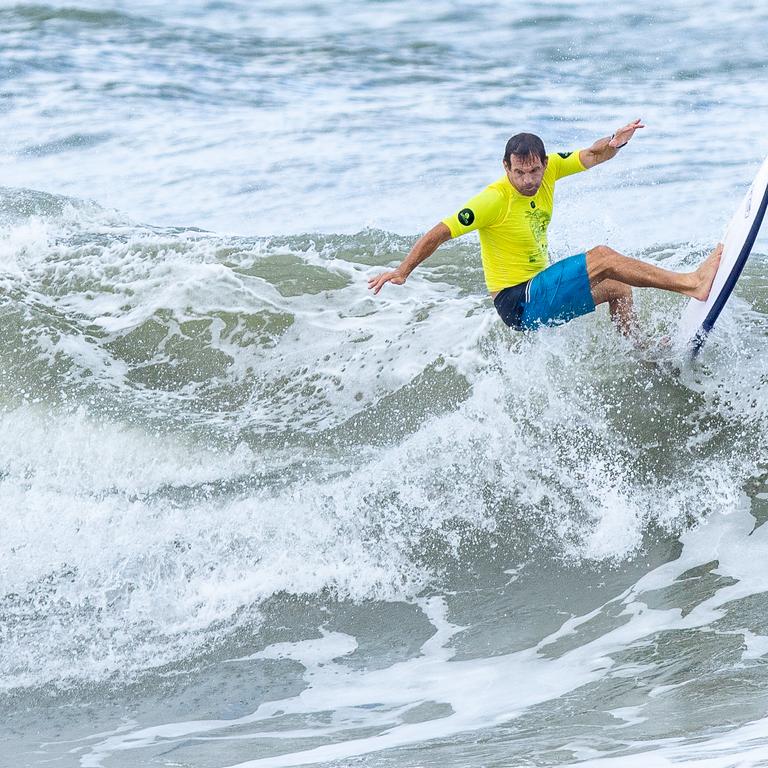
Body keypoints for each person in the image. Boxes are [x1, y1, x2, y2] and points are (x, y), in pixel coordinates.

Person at [368, 119, 722, 336]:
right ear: (506, 167)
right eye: (518, 172)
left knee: (618, 288)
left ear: (543, 163)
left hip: (537, 292)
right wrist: (402, 271)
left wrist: (616, 141)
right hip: (517, 302)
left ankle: (644, 358)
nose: (528, 180)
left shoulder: (551, 169)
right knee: (602, 257)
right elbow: (440, 232)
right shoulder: (493, 200)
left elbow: (594, 154)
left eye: (534, 171)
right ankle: (691, 283)